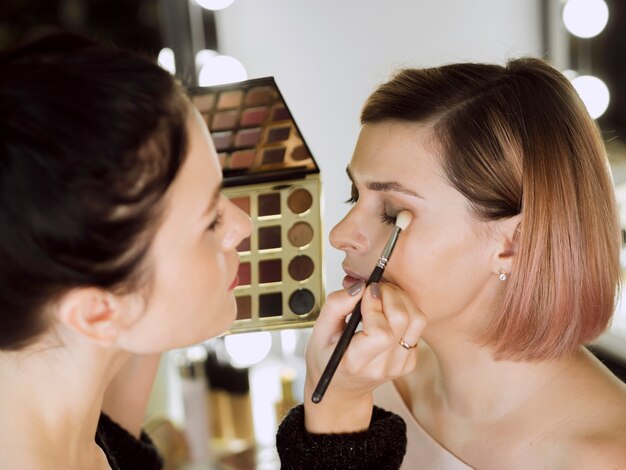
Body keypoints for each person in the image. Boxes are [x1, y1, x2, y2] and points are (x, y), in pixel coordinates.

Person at [279, 58, 626, 468]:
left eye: (391, 212)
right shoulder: (370, 377)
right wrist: (336, 412)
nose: (339, 234)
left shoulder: (604, 457)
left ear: (514, 244)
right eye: (355, 196)